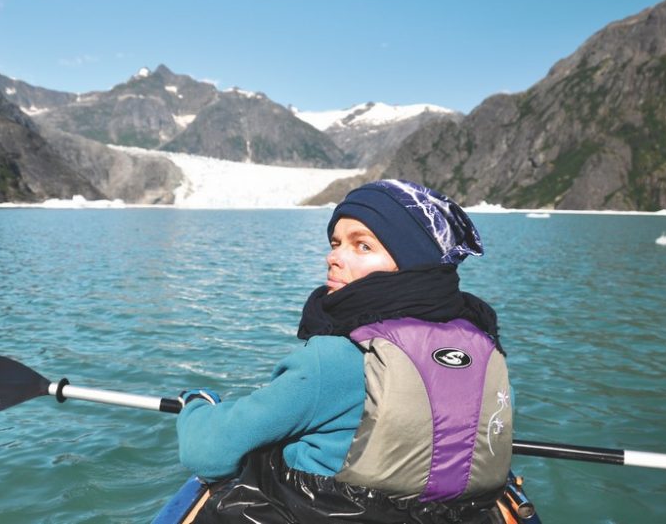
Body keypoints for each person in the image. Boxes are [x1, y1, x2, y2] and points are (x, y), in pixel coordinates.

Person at [176, 179, 512, 523]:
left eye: (362, 246)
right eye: (336, 243)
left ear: (412, 261)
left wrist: (197, 404)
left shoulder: (334, 359)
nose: (333, 257)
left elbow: (207, 453)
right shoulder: (485, 349)